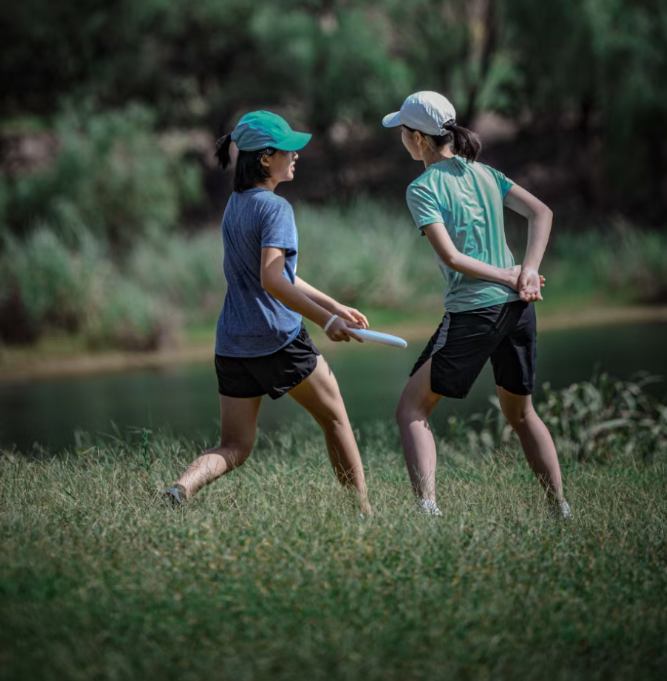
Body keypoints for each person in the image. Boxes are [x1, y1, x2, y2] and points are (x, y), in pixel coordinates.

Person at [165, 110, 371, 512]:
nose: (296, 156)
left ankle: (180, 489)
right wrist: (326, 321)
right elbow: (273, 281)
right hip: (277, 337)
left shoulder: (235, 205)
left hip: (232, 342)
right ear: (265, 158)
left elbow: (280, 274)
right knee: (335, 420)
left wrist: (333, 303)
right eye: (288, 150)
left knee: (235, 445)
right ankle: (363, 514)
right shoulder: (276, 209)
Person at [384, 91, 570, 519]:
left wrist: (513, 273)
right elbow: (541, 213)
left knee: (411, 410)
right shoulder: (485, 173)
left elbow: (451, 257)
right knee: (522, 414)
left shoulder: (422, 188)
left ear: (416, 139)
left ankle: (428, 514)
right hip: (517, 309)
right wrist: (526, 271)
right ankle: (560, 508)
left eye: (401, 132)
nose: (401, 139)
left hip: (474, 312)